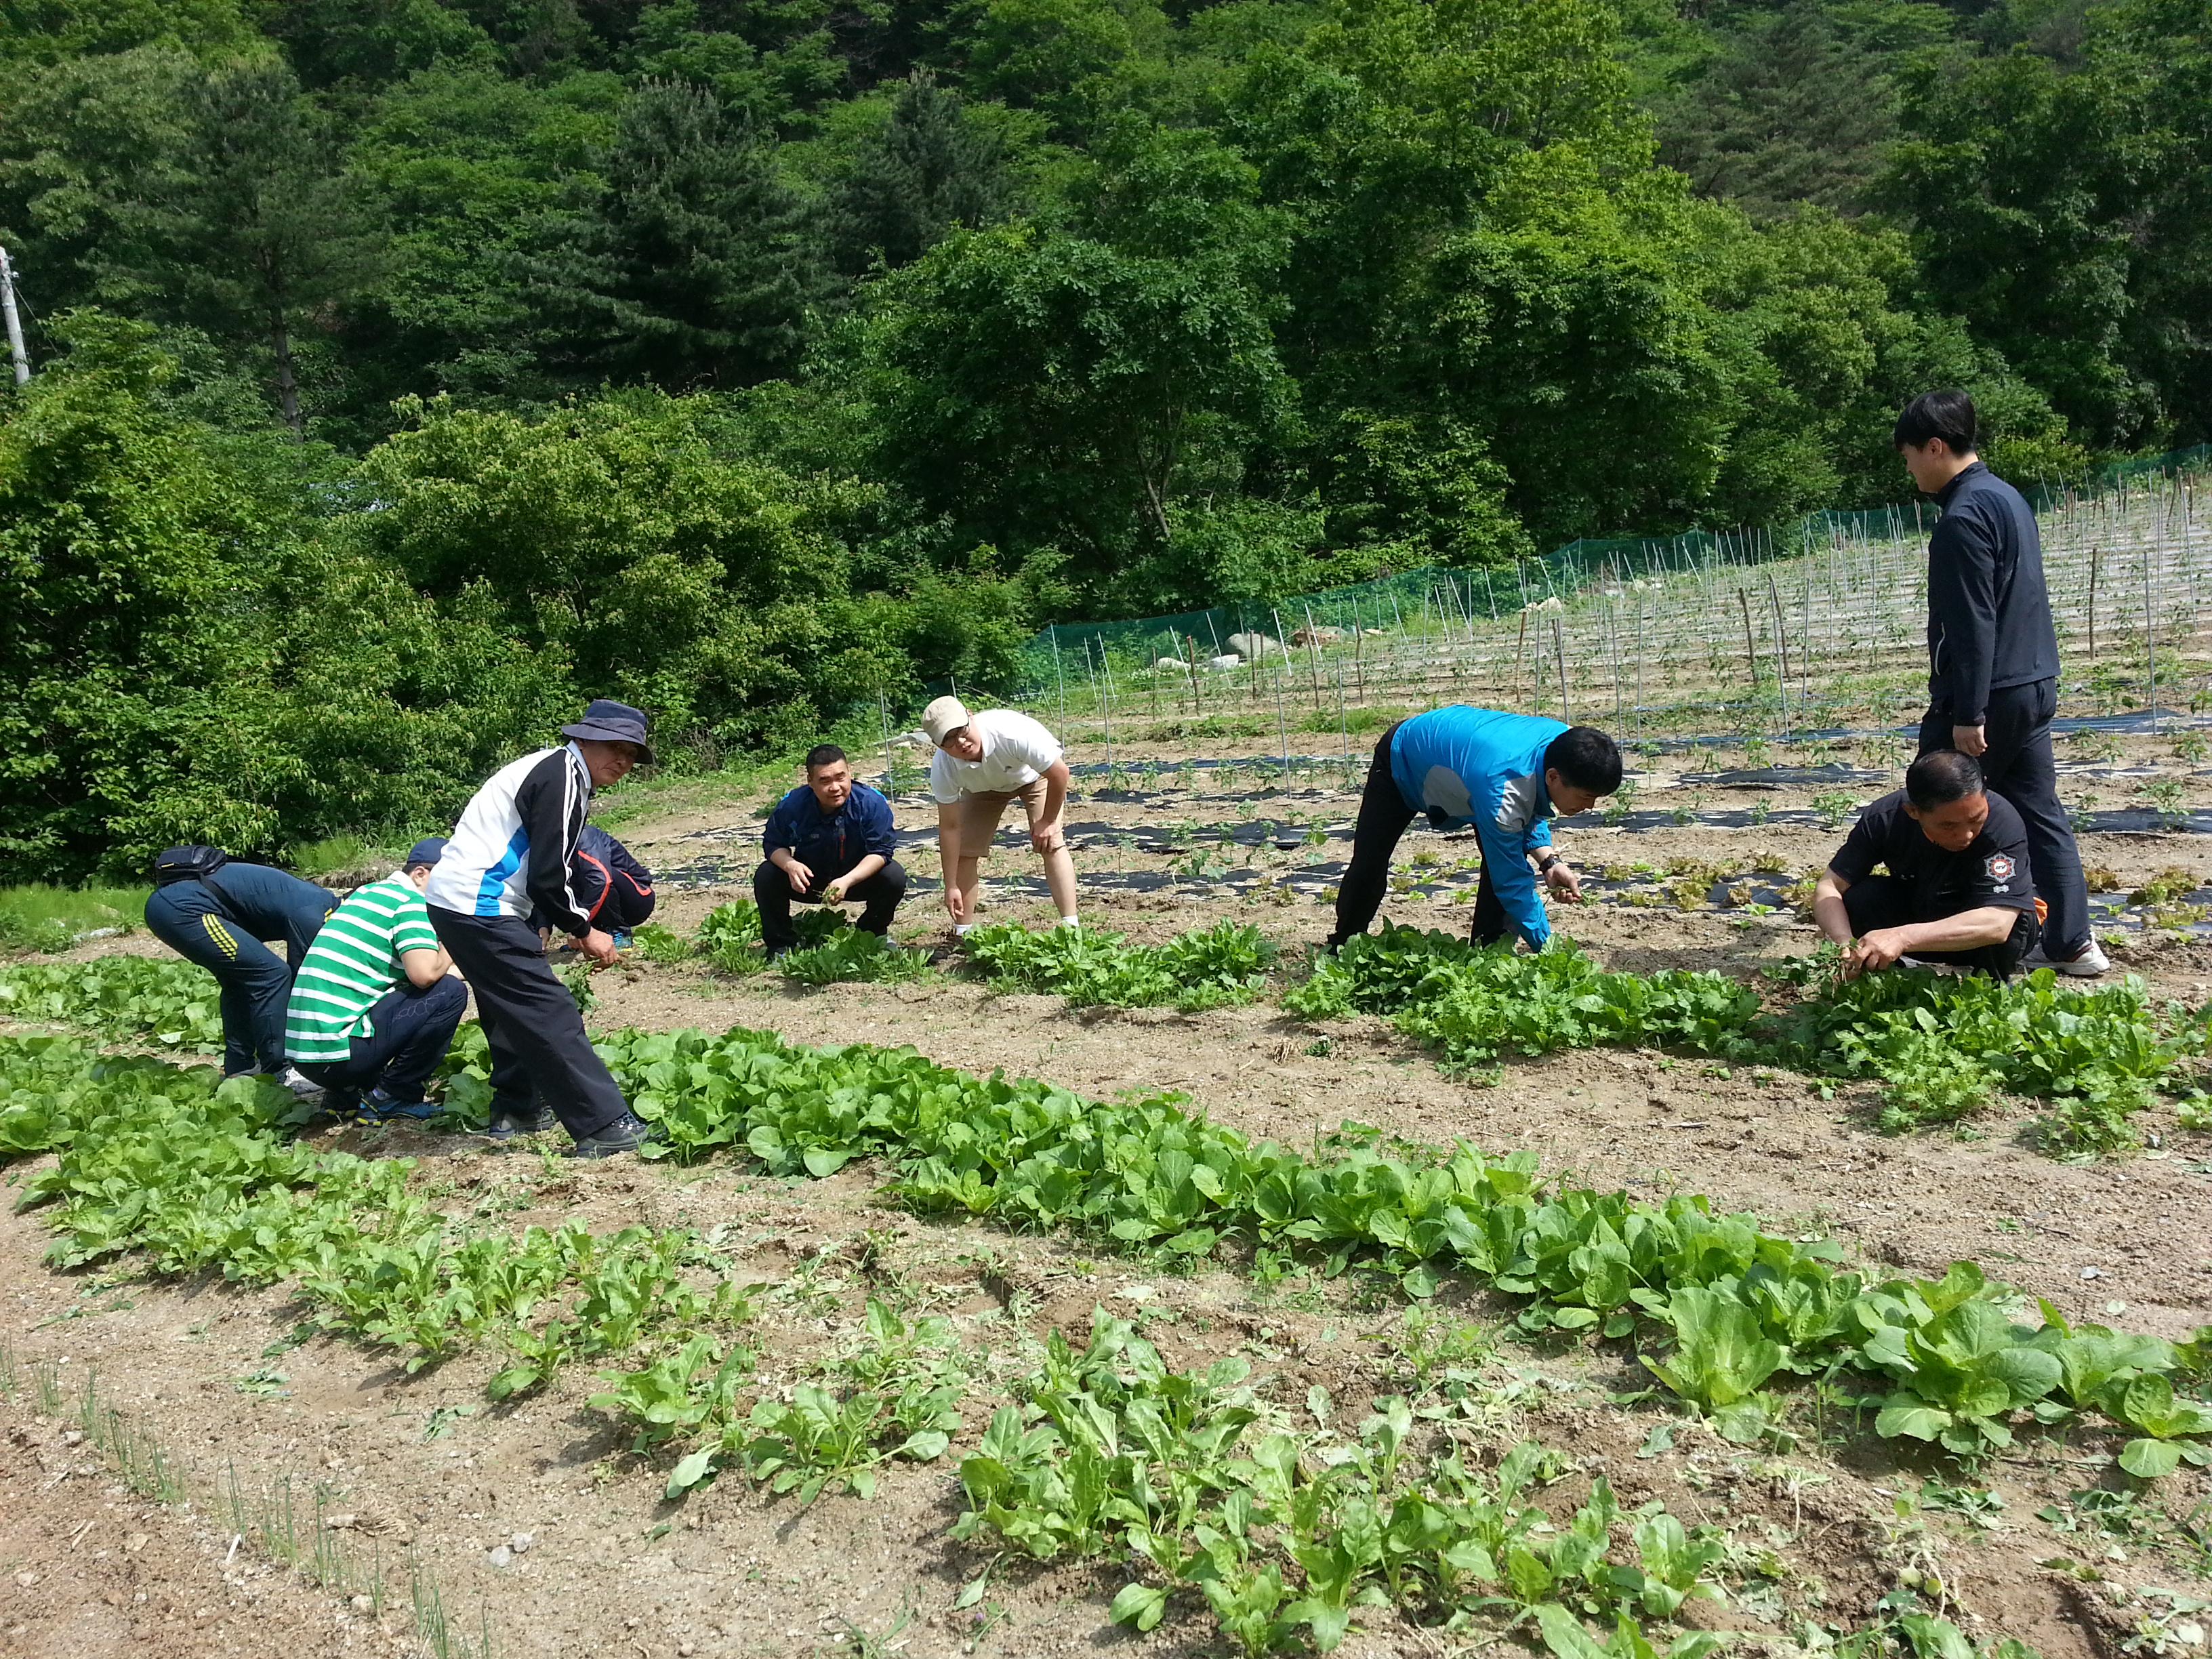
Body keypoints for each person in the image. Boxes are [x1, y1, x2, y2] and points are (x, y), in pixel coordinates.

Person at [1897, 388, 2104, 976]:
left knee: (1938, 809)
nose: (1909, 470)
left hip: (1989, 696)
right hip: (2033, 681)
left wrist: (1969, 712)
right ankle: (2071, 943)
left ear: (1935, 447)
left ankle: (1940, 943)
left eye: (1909, 457)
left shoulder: (1962, 518)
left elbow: (1971, 624)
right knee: (2041, 814)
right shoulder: (2007, 498)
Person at [425, 699, 659, 1156]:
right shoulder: (564, 776)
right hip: (479, 902)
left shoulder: (559, 771)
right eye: (615, 747)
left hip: (458, 900)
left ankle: (518, 1109)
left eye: (632, 753)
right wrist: (583, 928)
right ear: (585, 739)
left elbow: (540, 861)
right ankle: (604, 1125)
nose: (623, 760)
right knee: (549, 1008)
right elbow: (550, 874)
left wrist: (539, 921)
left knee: (507, 1007)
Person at [1324, 707, 1622, 953]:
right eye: (1586, 797)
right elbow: (1513, 882)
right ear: (1554, 776)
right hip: (1403, 757)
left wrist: (1549, 862)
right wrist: (1551, 952)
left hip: (1471, 765)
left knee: (1501, 858)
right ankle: (1345, 946)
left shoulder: (1566, 744)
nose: (1590, 807)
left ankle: (1489, 954)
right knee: (1370, 863)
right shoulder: (1503, 790)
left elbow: (1530, 800)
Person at [284, 837, 470, 1122]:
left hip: (308, 1053)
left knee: (425, 988)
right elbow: (426, 975)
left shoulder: (368, 894)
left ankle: (345, 1094)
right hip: (338, 1055)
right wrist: (456, 937)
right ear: (420, 874)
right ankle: (393, 1095)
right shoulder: (411, 903)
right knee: (451, 993)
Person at [1812, 749, 2041, 979]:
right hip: (1921, 914)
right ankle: (1886, 981)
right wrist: (1844, 942)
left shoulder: (2003, 823)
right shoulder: (1885, 818)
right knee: (1861, 898)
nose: (1967, 835)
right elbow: (1829, 886)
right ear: (1913, 811)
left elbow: (1998, 924)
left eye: (1976, 819)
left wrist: (1902, 937)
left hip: (1974, 935)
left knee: (2014, 917)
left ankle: (1992, 985)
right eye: (1949, 826)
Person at [143, 845, 337, 1097]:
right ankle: (281, 1071)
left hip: (170, 907)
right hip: (185, 910)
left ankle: (240, 1067)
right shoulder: (318, 911)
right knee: (272, 977)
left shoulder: (315, 901)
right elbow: (305, 983)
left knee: (240, 981)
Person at [922, 697, 1078, 934]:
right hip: (983, 790)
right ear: (938, 745)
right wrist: (950, 884)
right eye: (948, 739)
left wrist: (1047, 822)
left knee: (1051, 843)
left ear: (970, 715)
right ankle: (963, 934)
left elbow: (1060, 773)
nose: (961, 742)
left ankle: (1071, 929)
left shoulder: (1010, 734)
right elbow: (950, 827)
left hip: (1033, 777)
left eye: (961, 730)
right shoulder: (944, 767)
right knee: (965, 851)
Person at [755, 744, 907, 957]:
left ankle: (872, 933)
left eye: (840, 778)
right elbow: (773, 844)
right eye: (825, 781)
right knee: (766, 874)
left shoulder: (870, 802)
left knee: (894, 875)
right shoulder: (792, 805)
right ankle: (781, 945)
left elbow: (881, 851)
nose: (835, 787)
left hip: (856, 879)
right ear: (810, 782)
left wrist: (847, 880)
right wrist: (790, 865)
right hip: (809, 881)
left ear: (849, 774)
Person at [534, 825, 657, 945]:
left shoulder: (582, 835)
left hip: (637, 900)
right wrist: (543, 926)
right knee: (563, 881)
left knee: (599, 875)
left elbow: (600, 880)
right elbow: (547, 887)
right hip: (599, 905)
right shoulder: (543, 847)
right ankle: (598, 937)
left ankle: (620, 938)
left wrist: (579, 925)